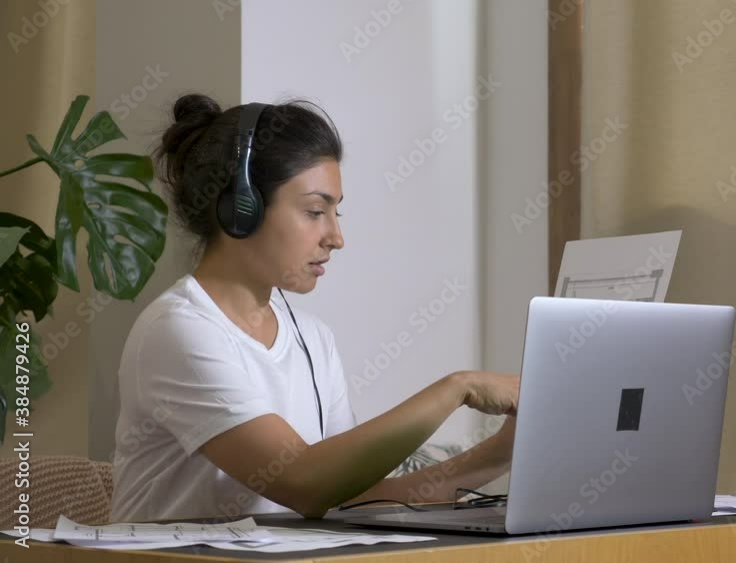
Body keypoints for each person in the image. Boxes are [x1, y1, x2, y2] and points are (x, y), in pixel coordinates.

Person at [110, 94, 519, 522]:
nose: (336, 237)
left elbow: (347, 498)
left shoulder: (313, 339)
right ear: (241, 208)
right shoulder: (178, 330)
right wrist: (459, 387)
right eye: (315, 211)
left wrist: (502, 452)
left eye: (336, 213)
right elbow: (303, 483)